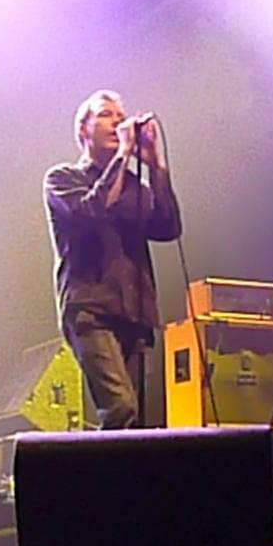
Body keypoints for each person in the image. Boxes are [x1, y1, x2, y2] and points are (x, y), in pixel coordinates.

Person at [44, 89, 182, 429]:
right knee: (120, 409)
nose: (118, 121)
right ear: (83, 130)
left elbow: (168, 227)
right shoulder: (63, 179)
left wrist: (156, 165)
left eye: (121, 116)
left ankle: (115, 466)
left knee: (134, 425)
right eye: (106, 114)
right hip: (90, 310)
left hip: (135, 313)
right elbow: (92, 212)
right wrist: (122, 154)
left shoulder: (135, 187)